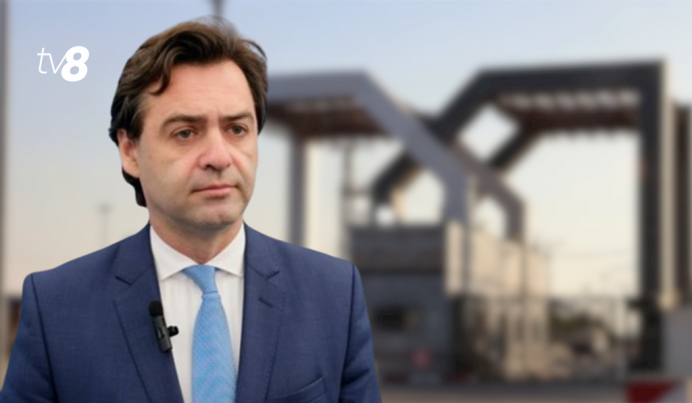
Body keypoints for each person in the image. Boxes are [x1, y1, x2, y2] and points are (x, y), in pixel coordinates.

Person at [1, 17, 381, 403]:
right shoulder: (55, 309)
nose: (219, 157)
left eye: (237, 129)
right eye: (185, 132)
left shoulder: (335, 295)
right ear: (130, 151)